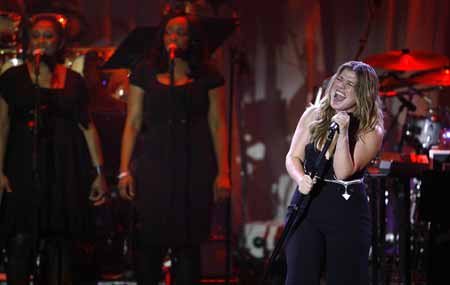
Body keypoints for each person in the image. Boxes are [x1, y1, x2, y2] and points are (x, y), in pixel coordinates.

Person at [117, 11, 230, 285]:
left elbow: (217, 123)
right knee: (149, 241)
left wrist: (223, 171)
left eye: (181, 32)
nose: (174, 38)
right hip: (154, 162)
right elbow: (132, 122)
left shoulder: (206, 73)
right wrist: (123, 171)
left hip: (195, 162)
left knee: (188, 244)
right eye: (169, 32)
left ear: (191, 39)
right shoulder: (144, 71)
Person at [0, 14, 107, 285]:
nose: (41, 42)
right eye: (36, 36)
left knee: (61, 246)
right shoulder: (12, 78)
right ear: (27, 42)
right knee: (21, 240)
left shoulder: (73, 80)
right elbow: (2, 125)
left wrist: (99, 172)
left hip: (65, 169)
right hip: (23, 166)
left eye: (48, 37)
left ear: (59, 43)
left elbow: (88, 127)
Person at [284, 61, 384, 285]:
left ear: (363, 95)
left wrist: (344, 131)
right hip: (307, 206)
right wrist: (300, 179)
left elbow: (342, 171)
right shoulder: (313, 115)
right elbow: (292, 157)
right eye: (340, 79)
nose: (341, 86)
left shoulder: (371, 129)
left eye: (350, 84)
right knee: (299, 277)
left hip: (346, 211)